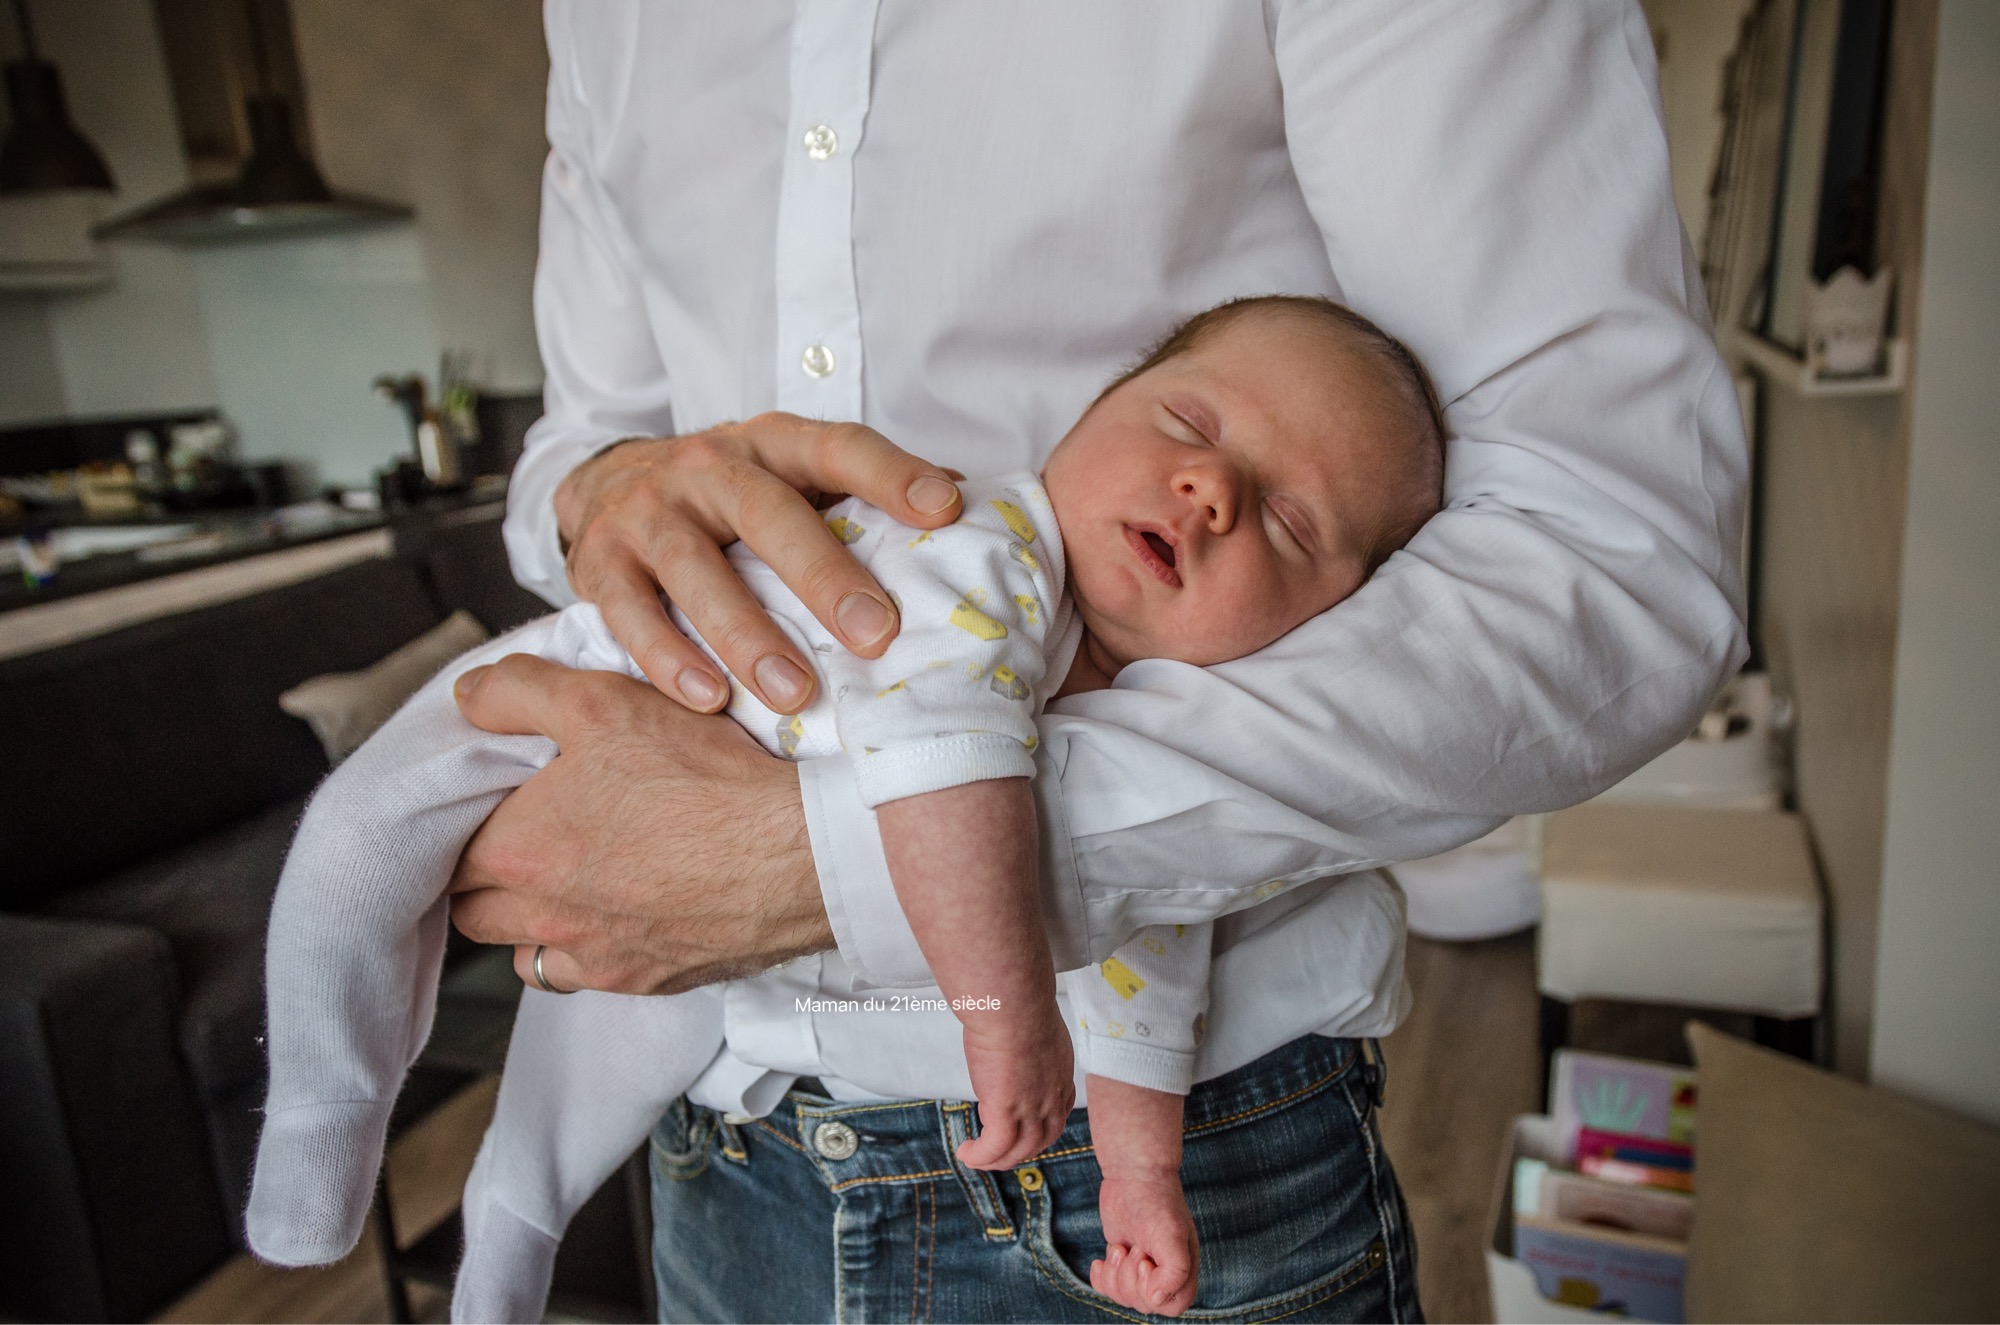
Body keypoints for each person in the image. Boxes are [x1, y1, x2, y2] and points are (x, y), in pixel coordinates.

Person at [445, 4, 1748, 1319]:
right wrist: (614, 484)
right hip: (720, 1132)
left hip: (1185, 1152)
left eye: (1283, 520)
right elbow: (579, 446)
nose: (1208, 491)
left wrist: (837, 857)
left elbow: (1614, 557)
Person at [249, 297, 1447, 1322]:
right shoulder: (986, 548)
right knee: (357, 848)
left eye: (1290, 526)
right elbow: (943, 777)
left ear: (1322, 628)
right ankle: (316, 1137)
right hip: (587, 693)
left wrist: (1139, 1176)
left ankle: (506, 1234)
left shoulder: (1165, 731)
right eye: (1183, 424)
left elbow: (1145, 956)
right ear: (1089, 413)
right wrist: (1004, 1021)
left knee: (596, 1065)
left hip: (725, 966)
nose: (1211, 488)